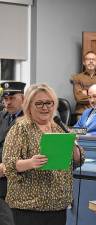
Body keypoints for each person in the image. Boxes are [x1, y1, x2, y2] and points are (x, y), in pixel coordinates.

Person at [3, 83, 84, 225]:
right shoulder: (20, 128)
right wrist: (30, 163)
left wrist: (73, 147)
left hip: (57, 205)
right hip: (28, 207)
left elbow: (78, 160)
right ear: (28, 106)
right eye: (39, 103)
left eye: (49, 103)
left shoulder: (59, 127)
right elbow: (9, 164)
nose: (45, 107)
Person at [0, 81, 26, 200]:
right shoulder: (2, 115)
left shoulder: (29, 119)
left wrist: (5, 166)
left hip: (14, 178)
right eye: (5, 98)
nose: (8, 102)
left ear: (23, 98)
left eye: (12, 98)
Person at [71, 51, 96, 115]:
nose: (91, 61)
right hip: (82, 112)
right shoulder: (77, 78)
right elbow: (79, 98)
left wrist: (86, 92)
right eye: (88, 59)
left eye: (93, 59)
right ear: (84, 62)